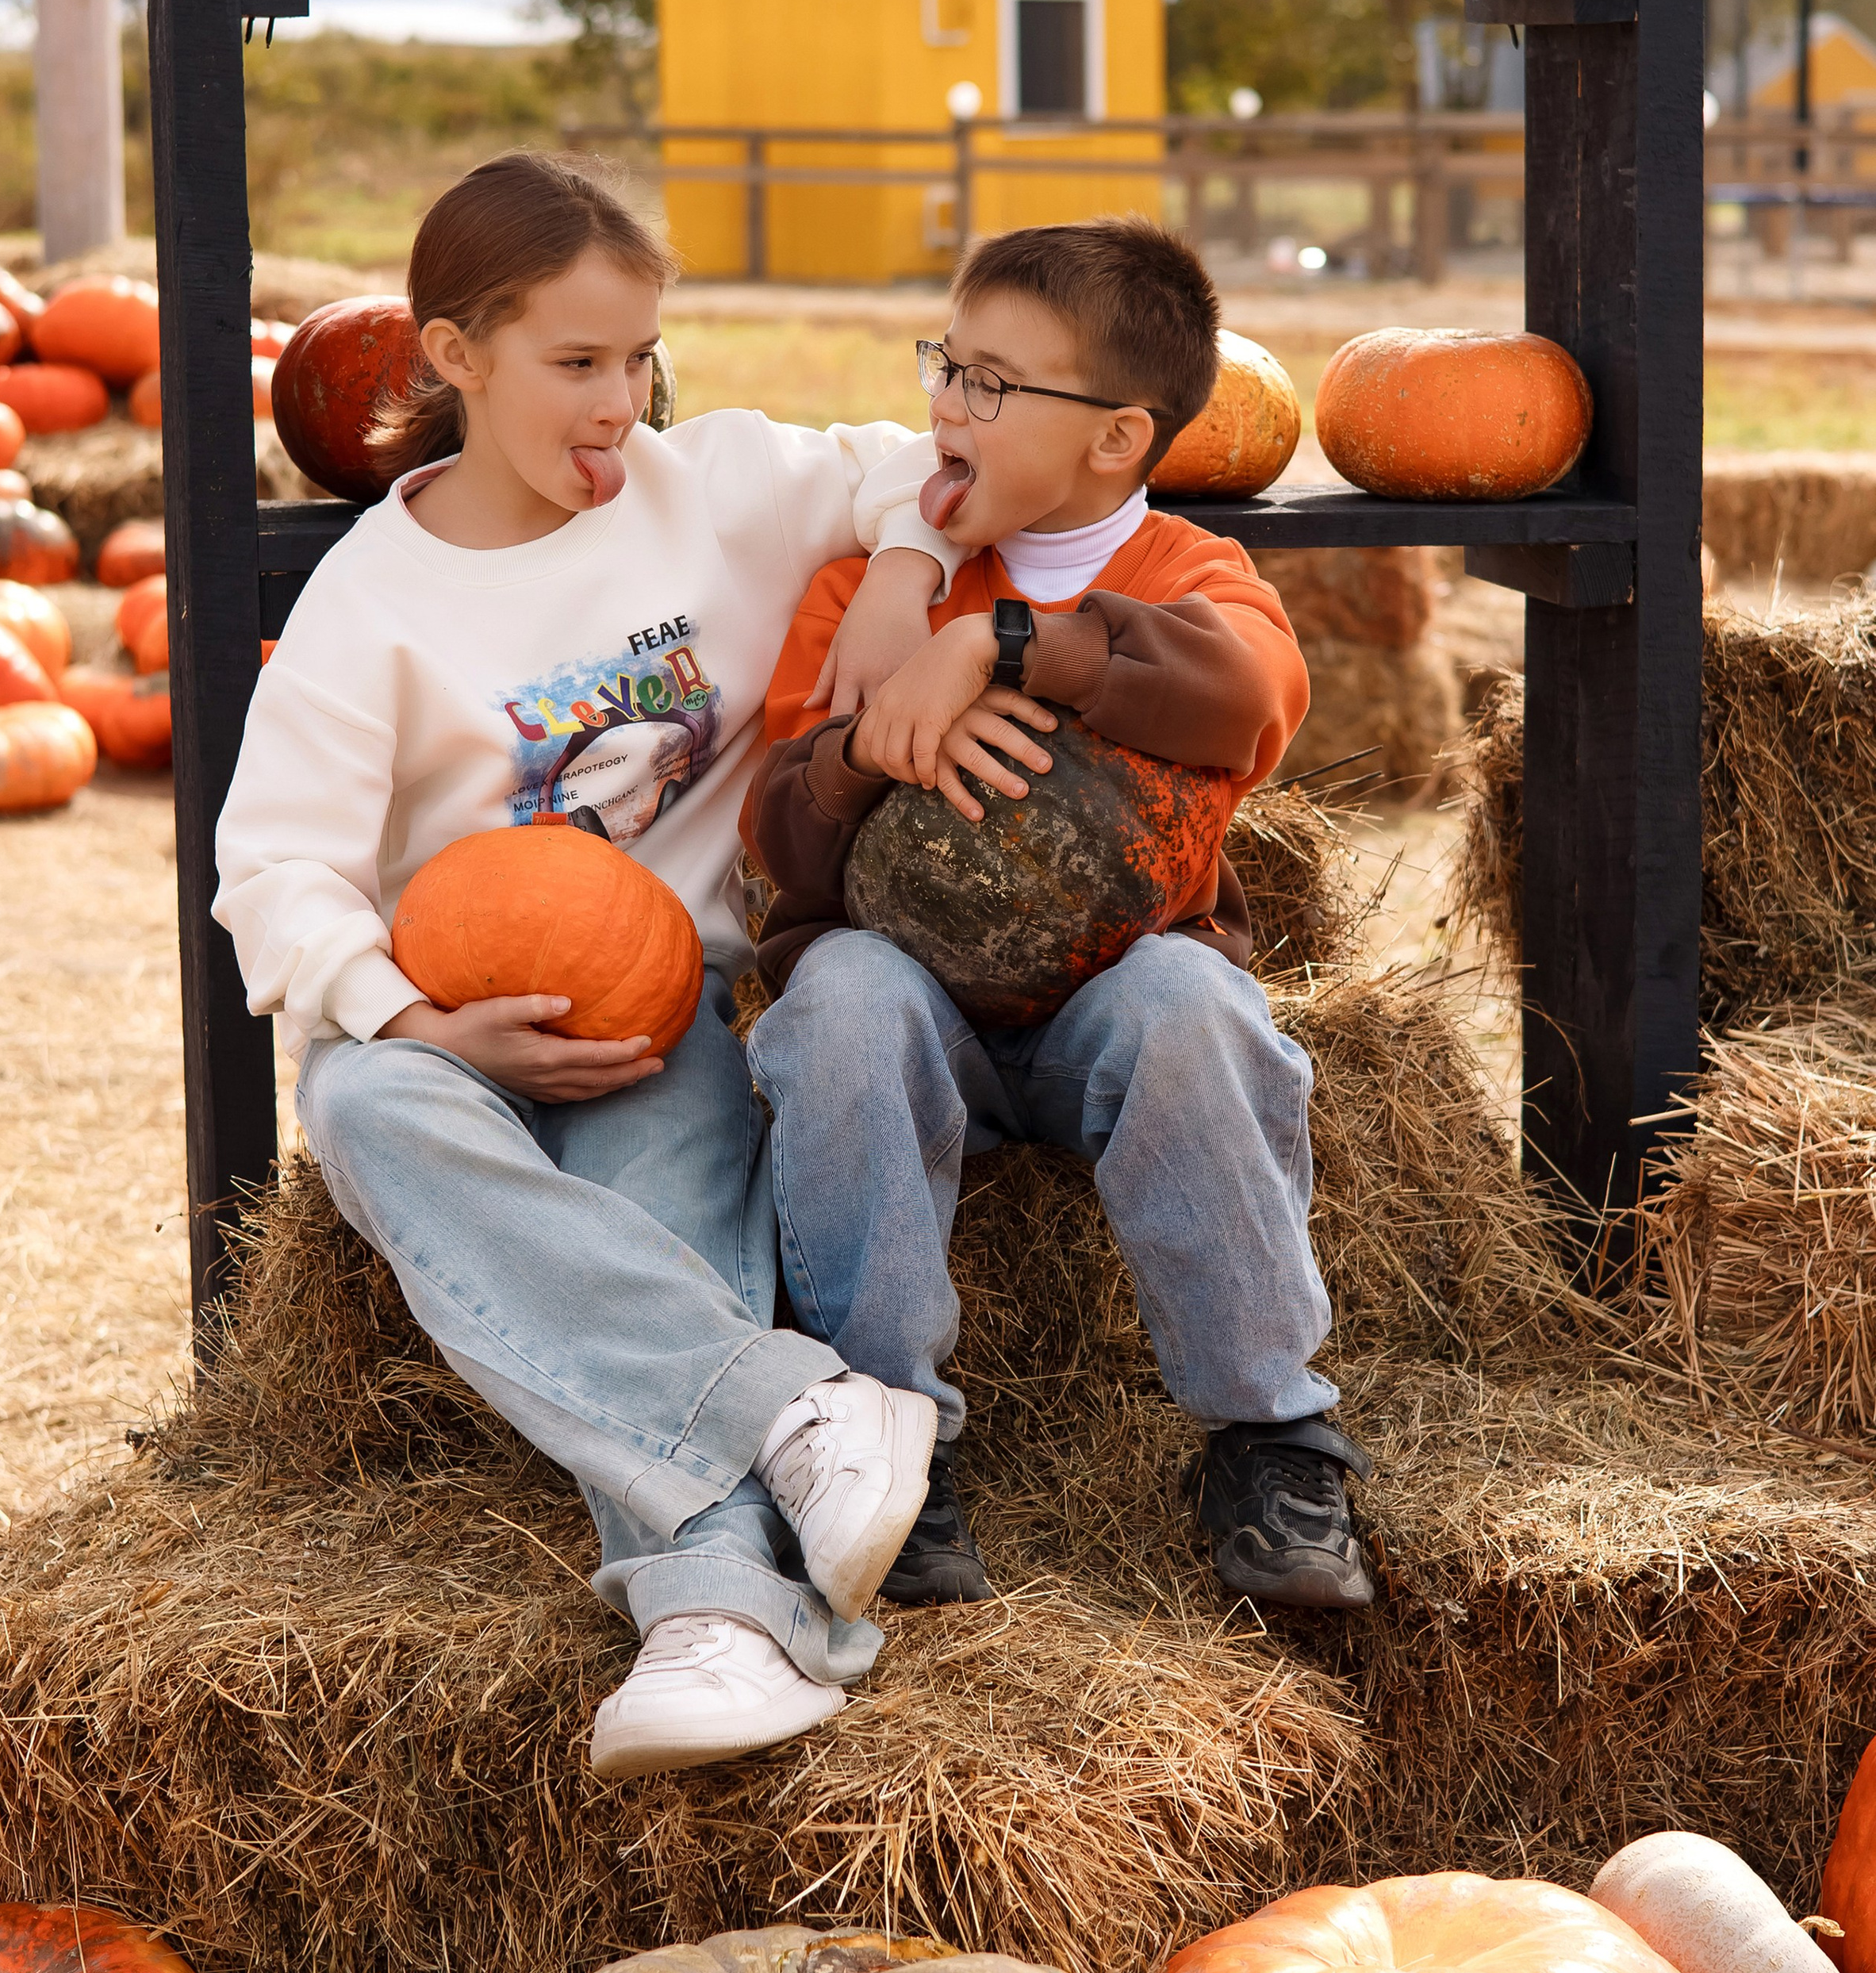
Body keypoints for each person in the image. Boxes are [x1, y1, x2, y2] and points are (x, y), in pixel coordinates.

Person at [214, 151, 973, 1780]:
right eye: (574, 361)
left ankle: (715, 1619)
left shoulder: (720, 490)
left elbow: (937, 465)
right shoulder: (374, 601)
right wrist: (415, 1018)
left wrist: (908, 574)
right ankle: (795, 1413)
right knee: (362, 1107)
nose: (619, 402)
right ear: (454, 355)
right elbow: (271, 869)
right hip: (444, 1017)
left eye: (637, 357)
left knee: (659, 1198)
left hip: (658, 1007)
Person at [744, 216, 1373, 1614]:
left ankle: (1272, 1436)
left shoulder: (1191, 578)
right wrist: (869, 750)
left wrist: (1005, 643)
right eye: (944, 365)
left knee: (1196, 1004)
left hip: (1110, 1010)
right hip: (919, 1011)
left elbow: (1252, 698)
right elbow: (776, 832)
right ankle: (884, 1442)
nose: (945, 406)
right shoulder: (866, 593)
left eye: (991, 384)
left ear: (1116, 437)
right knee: (838, 996)